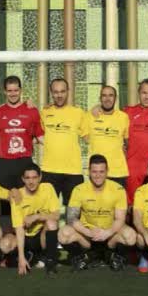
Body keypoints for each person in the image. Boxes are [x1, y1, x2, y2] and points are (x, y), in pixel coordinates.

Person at [58, 154, 135, 272]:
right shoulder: (79, 189)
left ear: (107, 172)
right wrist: (88, 232)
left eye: (101, 171)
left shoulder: (118, 189)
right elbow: (71, 218)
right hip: (87, 236)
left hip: (110, 235)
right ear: (89, 171)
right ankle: (85, 255)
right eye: (94, 172)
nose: (98, 175)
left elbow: (120, 219)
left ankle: (110, 255)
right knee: (63, 234)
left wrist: (106, 233)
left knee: (130, 237)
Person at [0, 75, 44, 229]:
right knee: (6, 204)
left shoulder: (32, 111)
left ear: (21, 90)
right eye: (10, 91)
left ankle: (28, 242)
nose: (13, 93)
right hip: (4, 164)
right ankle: (8, 242)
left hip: (24, 162)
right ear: (4, 92)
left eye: (16, 90)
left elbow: (40, 136)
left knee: (26, 201)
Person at [0, 163, 60, 275]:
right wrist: (21, 258)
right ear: (23, 179)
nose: (31, 182)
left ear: (40, 177)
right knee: (5, 245)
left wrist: (37, 216)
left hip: (40, 237)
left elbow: (56, 215)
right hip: (24, 237)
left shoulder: (48, 188)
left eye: (34, 177)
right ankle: (25, 256)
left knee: (51, 223)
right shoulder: (17, 196)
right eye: (27, 178)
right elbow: (19, 228)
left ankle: (50, 262)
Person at [40, 78, 87, 213]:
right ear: (51, 93)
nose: (59, 95)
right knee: (47, 214)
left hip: (73, 171)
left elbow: (90, 137)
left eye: (62, 91)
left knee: (73, 215)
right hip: (49, 170)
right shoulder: (44, 113)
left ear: (68, 92)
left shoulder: (78, 113)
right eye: (55, 92)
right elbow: (36, 135)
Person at [83, 85, 129, 189]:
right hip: (96, 172)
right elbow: (85, 138)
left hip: (118, 172)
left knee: (119, 205)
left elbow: (128, 142)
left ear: (116, 98)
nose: (107, 99)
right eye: (104, 96)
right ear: (100, 99)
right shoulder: (89, 116)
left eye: (110, 95)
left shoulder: (124, 117)